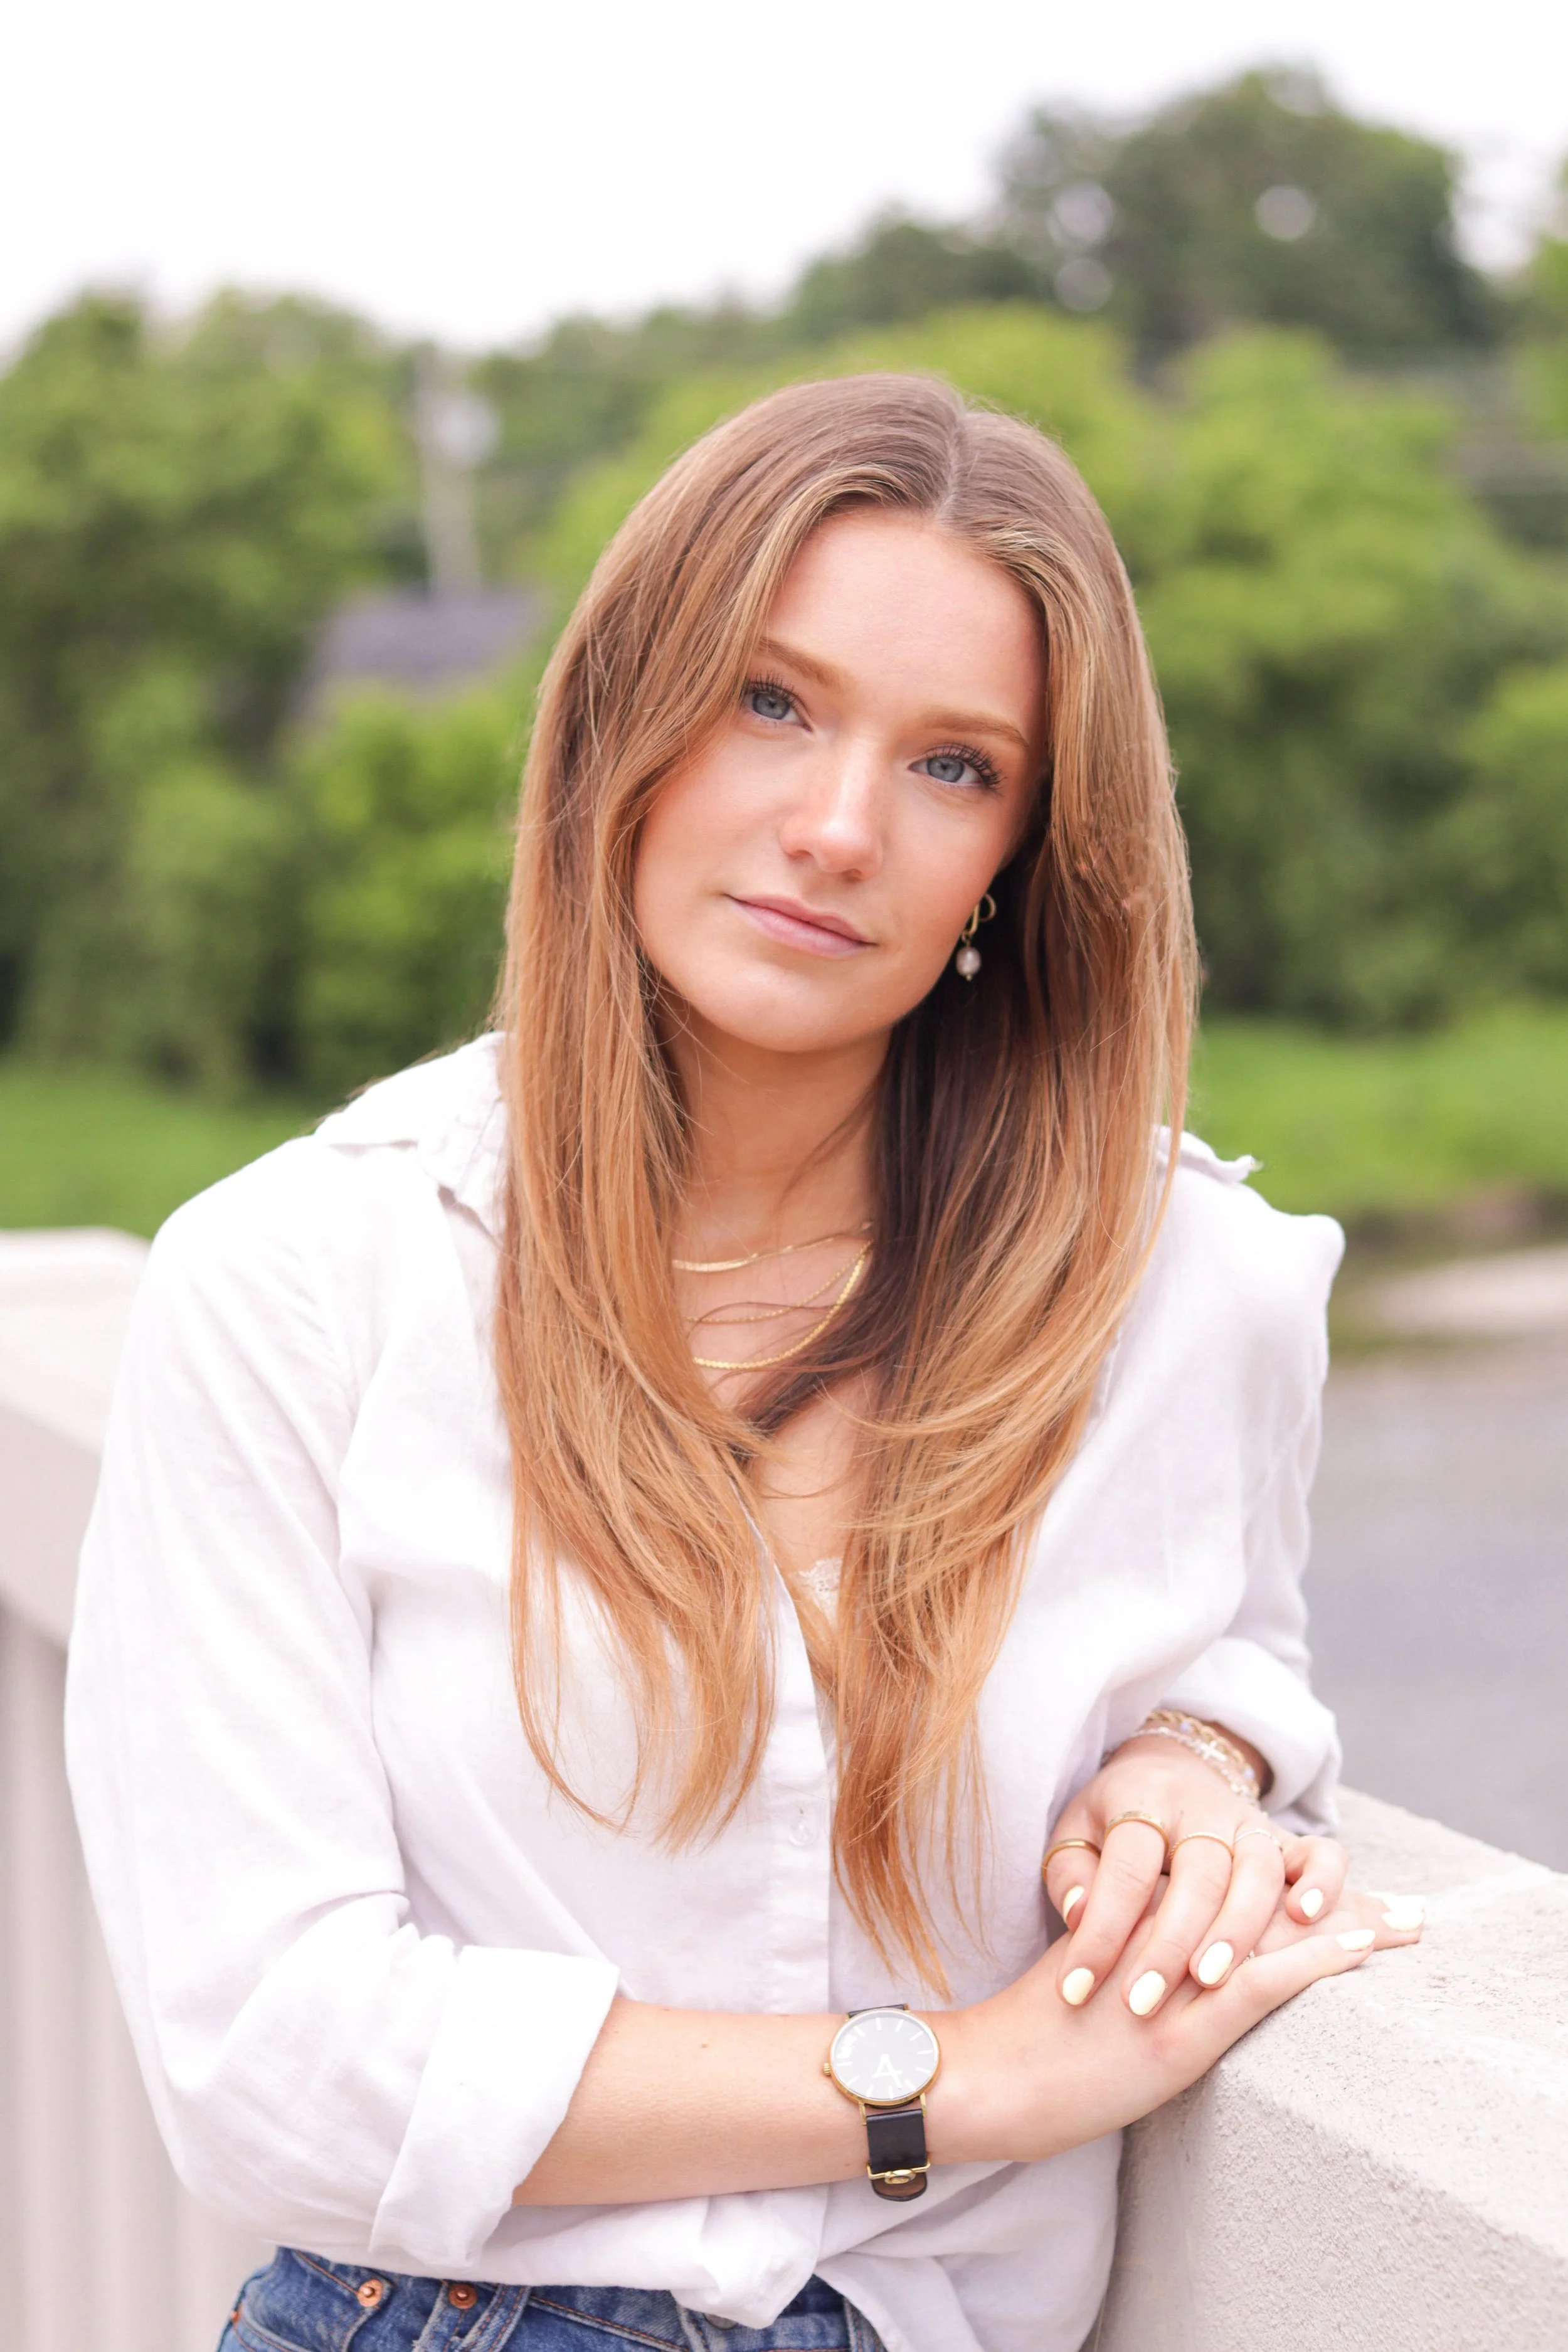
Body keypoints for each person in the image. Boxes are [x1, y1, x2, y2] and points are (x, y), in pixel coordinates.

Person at [66, 374, 1421, 2352]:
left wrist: (1194, 1754)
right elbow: (272, 2051)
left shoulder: (1185, 1289)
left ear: (1020, 863)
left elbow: (1229, 1634)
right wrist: (954, 2076)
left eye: (956, 765)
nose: (838, 826)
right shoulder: (299, 1284)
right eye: (768, 701)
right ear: (621, 717)